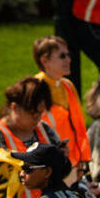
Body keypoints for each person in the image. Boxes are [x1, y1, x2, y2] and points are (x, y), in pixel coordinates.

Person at [33, 36, 90, 173]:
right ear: (45, 61)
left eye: (68, 55)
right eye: (62, 56)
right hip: (48, 162)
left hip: (71, 161)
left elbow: (78, 125)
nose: (68, 60)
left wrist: (82, 157)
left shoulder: (67, 85)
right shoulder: (36, 87)